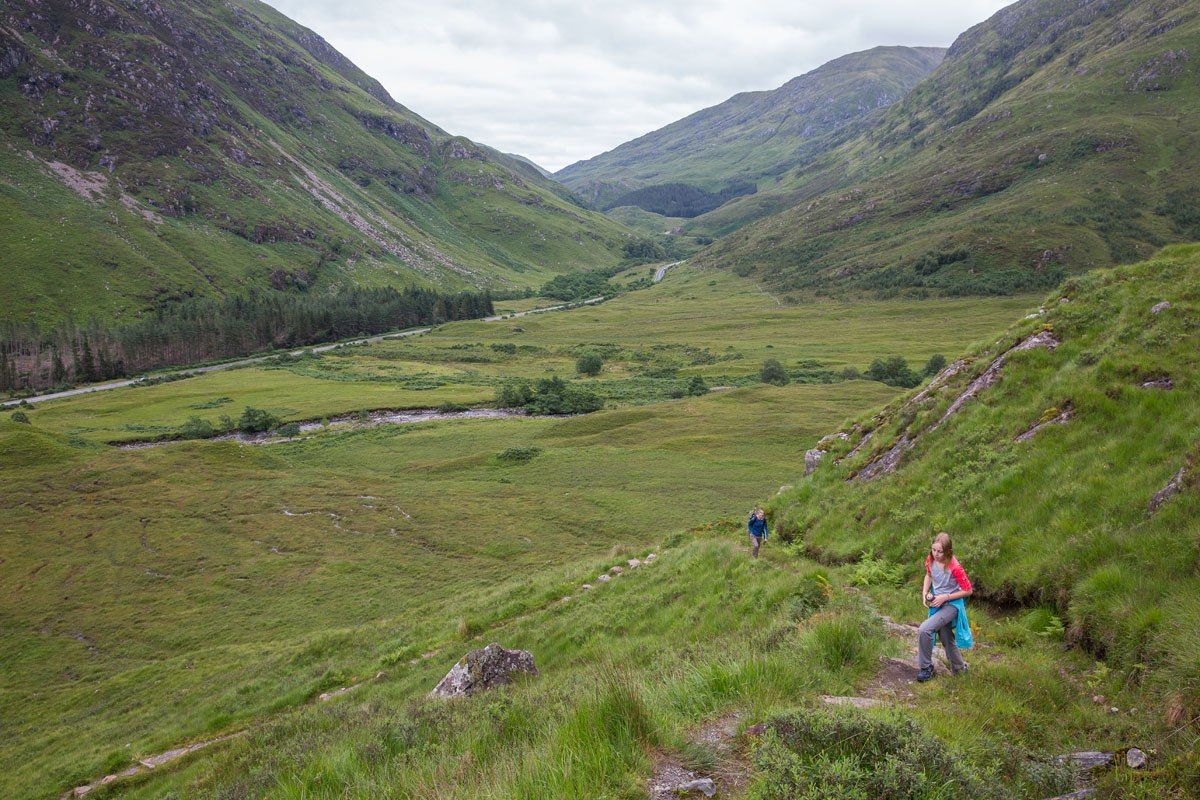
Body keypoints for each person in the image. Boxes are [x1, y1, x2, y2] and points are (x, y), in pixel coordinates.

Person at [917, 531, 973, 682]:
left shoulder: (955, 567)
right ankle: (960, 669)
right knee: (946, 636)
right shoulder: (931, 559)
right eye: (934, 550)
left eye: (940, 551)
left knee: (925, 629)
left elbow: (968, 590)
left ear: (948, 551)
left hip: (952, 605)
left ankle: (926, 667)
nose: (936, 554)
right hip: (937, 603)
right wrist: (924, 592)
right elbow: (929, 575)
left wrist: (945, 597)